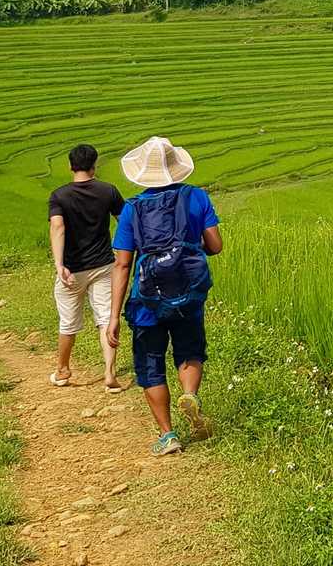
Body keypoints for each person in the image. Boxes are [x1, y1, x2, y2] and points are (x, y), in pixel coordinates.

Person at [106, 135, 223, 457]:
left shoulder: (132, 209)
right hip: (188, 294)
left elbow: (122, 263)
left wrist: (113, 315)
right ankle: (190, 395)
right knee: (190, 351)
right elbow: (215, 246)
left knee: (150, 364)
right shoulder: (196, 197)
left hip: (146, 301)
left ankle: (168, 435)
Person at [47, 143, 126, 391]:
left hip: (72, 268)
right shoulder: (108, 191)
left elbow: (58, 227)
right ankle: (110, 373)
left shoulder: (59, 196)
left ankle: (62, 370)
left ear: (71, 166)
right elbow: (124, 221)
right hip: (104, 264)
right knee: (105, 318)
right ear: (95, 165)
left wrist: (59, 264)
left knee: (68, 323)